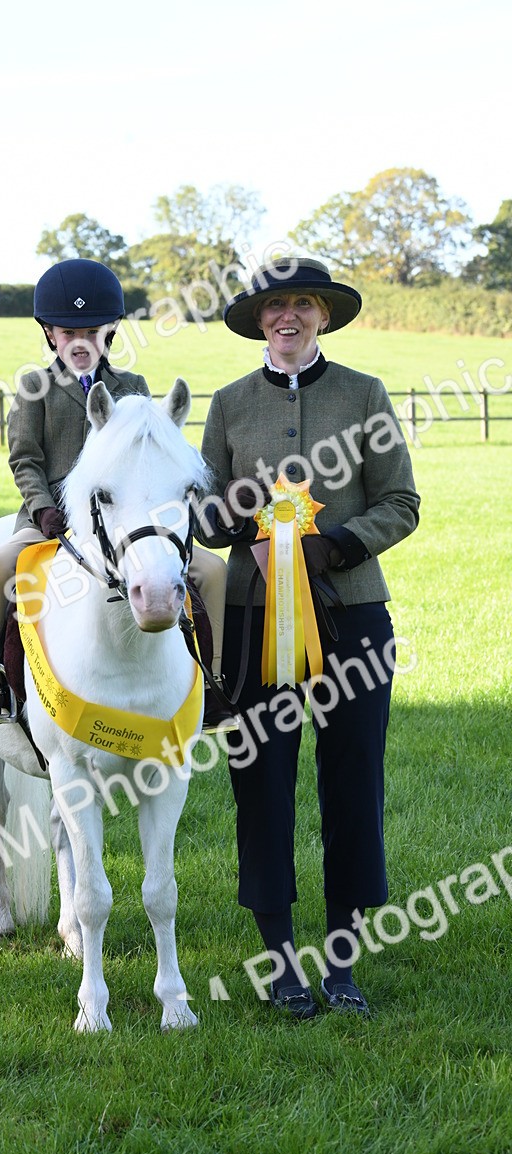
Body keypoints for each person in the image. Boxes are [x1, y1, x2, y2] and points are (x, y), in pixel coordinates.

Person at [197, 256, 420, 1018]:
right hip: (252, 621)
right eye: (274, 306)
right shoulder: (228, 404)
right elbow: (202, 514)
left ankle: (344, 961)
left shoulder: (365, 394)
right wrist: (238, 516)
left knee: (353, 782)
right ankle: (281, 959)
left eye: (301, 304)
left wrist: (338, 545)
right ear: (259, 321)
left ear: (323, 315)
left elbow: (401, 501)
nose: (286, 316)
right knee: (261, 783)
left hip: (353, 619)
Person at [0, 257, 234, 729]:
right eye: (68, 332)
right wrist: (43, 509)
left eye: (91, 331)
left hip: (123, 519)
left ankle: (211, 680)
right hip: (51, 520)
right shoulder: (35, 387)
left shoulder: (133, 387)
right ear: (50, 334)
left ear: (111, 331)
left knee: (212, 570)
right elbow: (25, 459)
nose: (80, 342)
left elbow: (149, 457)